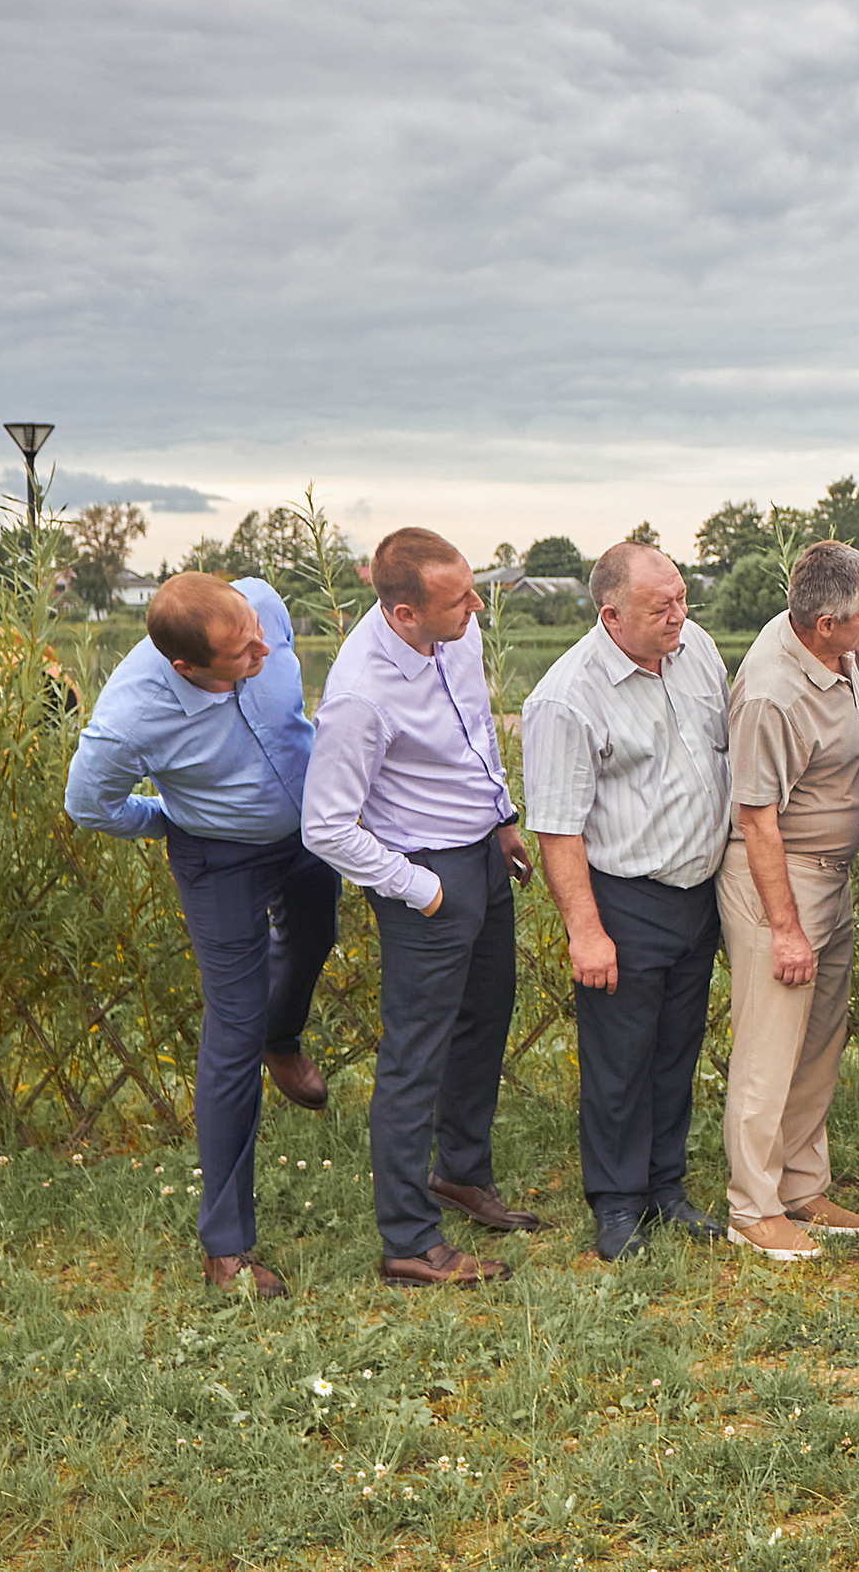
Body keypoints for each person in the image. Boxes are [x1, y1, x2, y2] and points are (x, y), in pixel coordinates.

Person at [64, 572, 336, 1298]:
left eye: (259, 637)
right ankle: (226, 1249)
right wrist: (170, 820)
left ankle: (284, 1037)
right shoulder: (131, 718)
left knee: (316, 933)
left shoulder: (261, 606)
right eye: (242, 656)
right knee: (232, 1031)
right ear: (187, 667)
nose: (262, 654)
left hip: (309, 832)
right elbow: (89, 804)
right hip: (220, 859)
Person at [303, 527, 541, 1289]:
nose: (478, 606)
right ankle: (408, 1241)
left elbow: (476, 732)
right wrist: (420, 888)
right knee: (415, 1058)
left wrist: (502, 818)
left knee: (485, 1020)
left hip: (481, 852)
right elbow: (325, 827)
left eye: (472, 589)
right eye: (460, 598)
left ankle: (461, 1174)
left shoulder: (456, 634)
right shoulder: (359, 695)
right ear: (404, 613)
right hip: (424, 875)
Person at [520, 542, 733, 1263]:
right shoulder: (566, 697)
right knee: (620, 1060)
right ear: (611, 616)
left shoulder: (697, 650)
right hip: (623, 898)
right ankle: (616, 1204)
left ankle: (665, 1188)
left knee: (676, 1050)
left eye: (681, 598)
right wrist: (586, 931)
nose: (679, 615)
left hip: (696, 891)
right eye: (660, 607)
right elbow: (557, 828)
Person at [718, 541, 859, 1260]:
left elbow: (854, 676)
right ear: (826, 623)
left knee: (816, 1044)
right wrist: (785, 929)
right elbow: (756, 819)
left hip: (831, 875)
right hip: (780, 880)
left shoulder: (830, 650)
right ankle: (752, 1207)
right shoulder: (771, 694)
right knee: (770, 1048)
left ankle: (802, 1184)